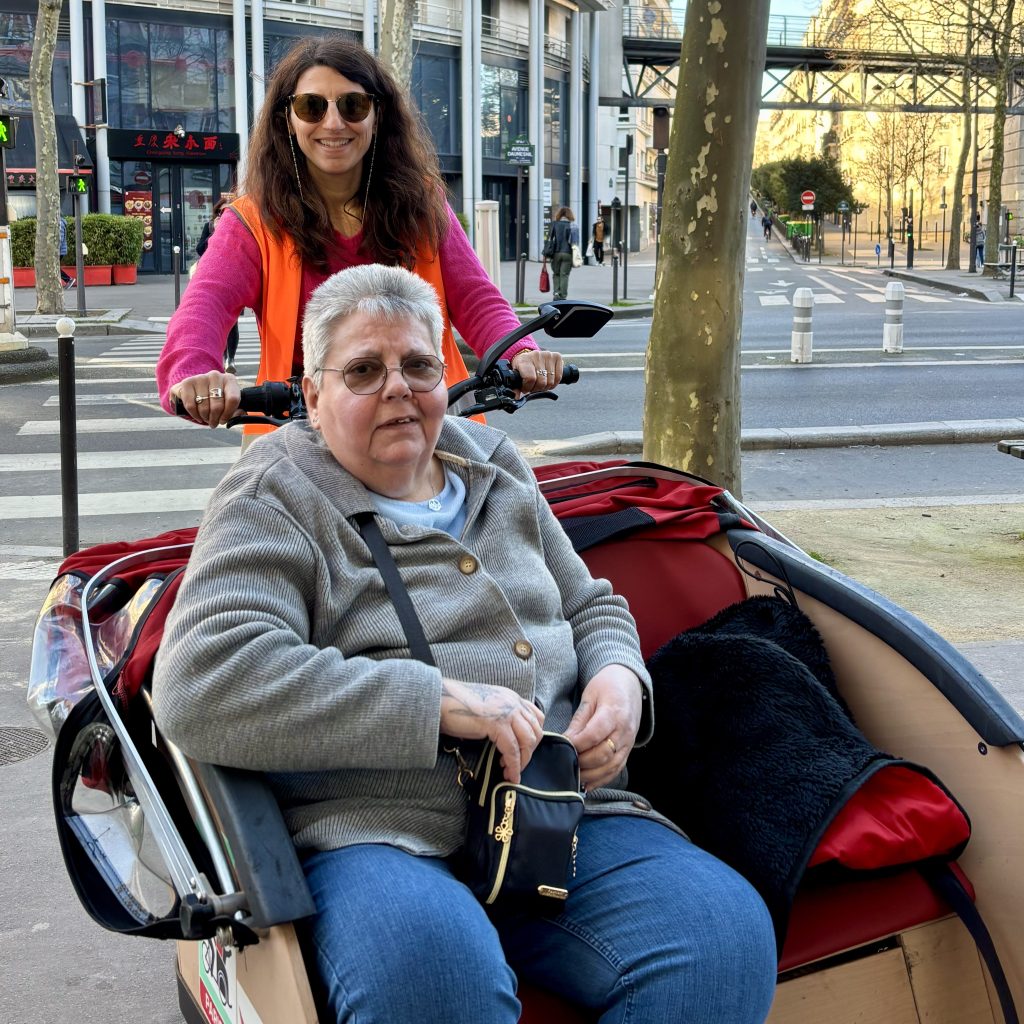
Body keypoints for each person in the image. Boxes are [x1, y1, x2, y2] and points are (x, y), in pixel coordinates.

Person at [152, 263, 777, 1024]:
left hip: (555, 810)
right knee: (431, 981)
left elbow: (590, 604)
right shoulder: (273, 495)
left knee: (722, 934)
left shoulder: (494, 464)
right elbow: (204, 681)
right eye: (363, 370)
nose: (397, 387)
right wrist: (440, 700)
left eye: (418, 364)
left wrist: (619, 679)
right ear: (312, 396)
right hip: (378, 831)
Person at [156, 36, 562, 435]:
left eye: (353, 105)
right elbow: (204, 304)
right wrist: (193, 373)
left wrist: (520, 352)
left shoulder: (422, 203)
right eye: (311, 107)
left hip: (424, 417)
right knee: (249, 501)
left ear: (377, 114)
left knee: (497, 493)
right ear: (288, 118)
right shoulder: (253, 220)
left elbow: (475, 296)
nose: (333, 123)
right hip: (304, 428)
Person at [194, 193, 240, 374]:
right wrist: (214, 234)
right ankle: (221, 358)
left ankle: (231, 358)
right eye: (221, 212)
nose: (224, 215)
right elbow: (200, 249)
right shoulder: (210, 226)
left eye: (228, 211)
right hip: (214, 278)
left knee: (233, 322)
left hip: (234, 280)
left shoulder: (238, 228)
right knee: (218, 321)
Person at [543, 206, 579, 301]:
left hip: (556, 253)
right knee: (564, 275)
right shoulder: (573, 225)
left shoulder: (555, 224)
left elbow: (549, 239)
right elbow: (575, 242)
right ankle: (563, 296)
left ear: (559, 214)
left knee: (556, 274)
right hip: (568, 253)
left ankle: (556, 293)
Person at [58, 216, 75, 289]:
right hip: (60, 250)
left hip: (59, 250)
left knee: (54, 267)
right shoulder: (59, 222)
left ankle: (68, 279)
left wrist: (56, 250)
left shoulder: (60, 223)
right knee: (54, 267)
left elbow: (60, 238)